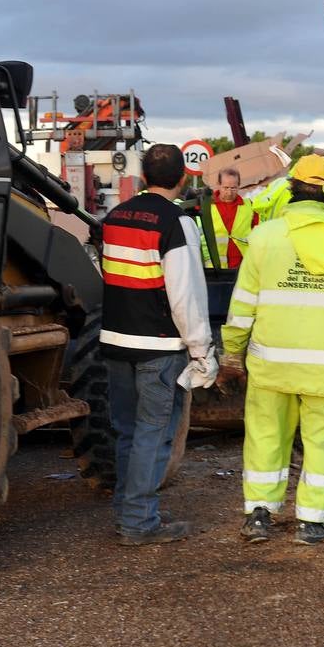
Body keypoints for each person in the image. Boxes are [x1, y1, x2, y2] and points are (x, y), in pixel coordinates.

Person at [216, 155, 324, 545]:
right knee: (321, 442)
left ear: (290, 187)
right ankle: (311, 522)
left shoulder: (265, 238)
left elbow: (242, 307)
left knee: (265, 436)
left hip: (272, 365)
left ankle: (259, 515)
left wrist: (232, 355)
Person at [100, 144, 218, 545]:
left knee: (128, 431)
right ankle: (138, 522)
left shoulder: (115, 216)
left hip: (115, 340)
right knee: (154, 432)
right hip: (158, 345)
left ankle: (124, 509)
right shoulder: (176, 222)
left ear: (144, 175)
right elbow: (185, 294)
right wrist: (201, 351)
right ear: (183, 177)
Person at [198, 166, 257, 269]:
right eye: (226, 188)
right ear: (218, 185)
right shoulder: (206, 207)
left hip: (243, 267)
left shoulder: (250, 206)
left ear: (239, 186)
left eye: (233, 188)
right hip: (213, 269)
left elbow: (257, 235)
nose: (229, 193)